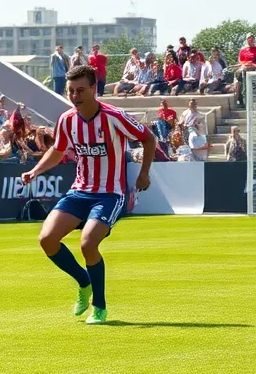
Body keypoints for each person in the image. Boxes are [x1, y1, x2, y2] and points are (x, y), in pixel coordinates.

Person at [20, 64, 155, 324]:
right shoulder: (66, 119)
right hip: (79, 191)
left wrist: (144, 173)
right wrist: (36, 171)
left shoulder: (114, 116)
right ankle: (84, 282)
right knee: (47, 239)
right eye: (71, 91)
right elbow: (58, 150)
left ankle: (100, 307)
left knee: (88, 243)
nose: (75, 96)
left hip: (110, 194)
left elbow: (148, 138)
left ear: (94, 89)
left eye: (80, 90)